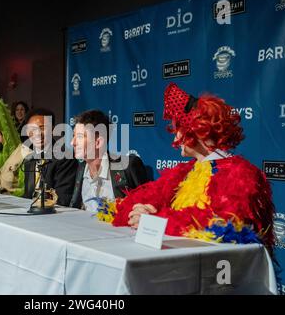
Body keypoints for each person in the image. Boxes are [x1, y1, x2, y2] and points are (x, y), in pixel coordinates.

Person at [113, 83, 275, 248]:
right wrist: (141, 212)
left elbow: (225, 225)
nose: (175, 135)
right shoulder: (184, 172)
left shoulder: (241, 174)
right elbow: (142, 201)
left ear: (198, 131)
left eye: (179, 127)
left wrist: (156, 221)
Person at [69, 110, 150, 211]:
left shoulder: (128, 166)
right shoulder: (81, 169)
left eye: (80, 137)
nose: (73, 142)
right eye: (73, 136)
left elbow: (148, 209)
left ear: (98, 142)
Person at [22, 108, 78, 206]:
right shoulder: (29, 158)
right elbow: (28, 195)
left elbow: (62, 199)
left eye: (42, 128)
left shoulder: (64, 157)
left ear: (52, 129)